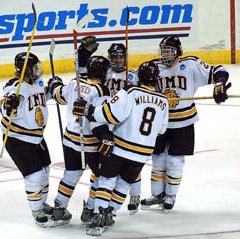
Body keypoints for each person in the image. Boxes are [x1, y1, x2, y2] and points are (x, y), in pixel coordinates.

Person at [73, 60, 169, 236]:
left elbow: (111, 114)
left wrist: (89, 110)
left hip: (121, 147)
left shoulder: (130, 91)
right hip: (143, 154)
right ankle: (111, 213)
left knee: (107, 180)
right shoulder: (164, 100)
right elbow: (162, 129)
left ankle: (100, 215)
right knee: (124, 184)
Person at [140, 35, 231, 211]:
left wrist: (219, 84)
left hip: (184, 121)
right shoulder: (154, 67)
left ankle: (171, 196)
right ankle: (157, 195)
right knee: (158, 160)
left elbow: (219, 70)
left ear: (178, 52)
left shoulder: (190, 64)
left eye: (170, 51)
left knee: (174, 161)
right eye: (163, 51)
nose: (165, 55)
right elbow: (137, 85)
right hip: (160, 123)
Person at [47, 55, 113, 226]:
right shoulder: (101, 90)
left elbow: (57, 95)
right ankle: (90, 210)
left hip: (70, 140)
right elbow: (101, 118)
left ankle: (59, 208)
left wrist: (55, 82)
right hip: (92, 143)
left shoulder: (74, 83)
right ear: (105, 72)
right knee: (100, 176)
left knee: (71, 174)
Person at [78, 36, 141, 215]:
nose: (117, 60)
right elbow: (83, 71)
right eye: (114, 57)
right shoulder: (104, 74)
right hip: (104, 123)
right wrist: (83, 53)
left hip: (125, 125)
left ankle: (134, 195)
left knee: (131, 160)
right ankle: (95, 198)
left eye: (120, 56)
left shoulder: (133, 76)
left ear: (126, 57)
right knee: (102, 165)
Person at [0, 52, 53, 227]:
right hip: (17, 138)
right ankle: (36, 209)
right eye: (34, 67)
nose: (38, 69)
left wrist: (53, 89)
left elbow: (41, 96)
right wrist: (9, 104)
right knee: (35, 176)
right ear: (25, 69)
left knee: (45, 172)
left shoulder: (36, 82)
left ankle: (42, 203)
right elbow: (4, 102)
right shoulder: (15, 86)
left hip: (37, 137)